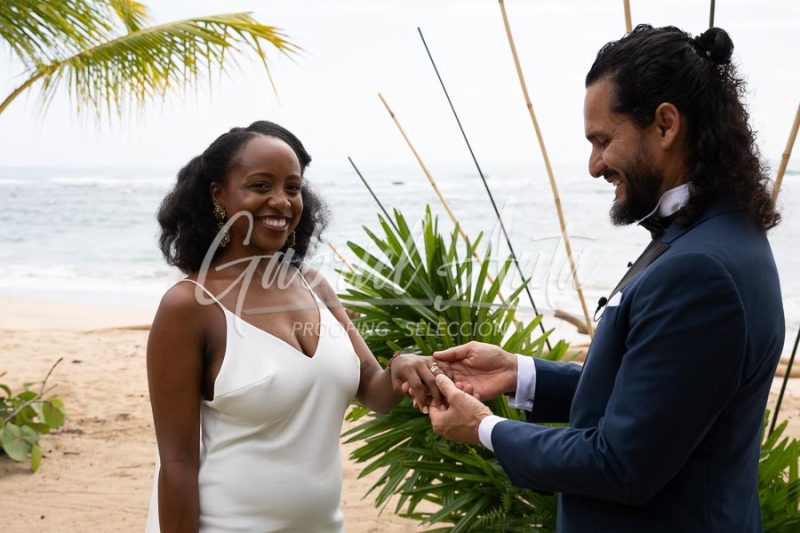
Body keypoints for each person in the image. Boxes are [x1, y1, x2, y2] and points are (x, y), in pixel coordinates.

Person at [427, 25, 785, 532]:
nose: (594, 165)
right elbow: (654, 399)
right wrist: (520, 373)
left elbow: (621, 464)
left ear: (665, 125)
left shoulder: (699, 270)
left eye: (603, 140)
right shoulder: (719, 237)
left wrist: (485, 429)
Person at [145, 120, 444, 531]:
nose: (282, 202)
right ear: (219, 194)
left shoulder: (314, 285)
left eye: (292, 187)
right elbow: (177, 463)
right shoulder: (190, 306)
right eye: (260, 185)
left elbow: (374, 390)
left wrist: (402, 368)